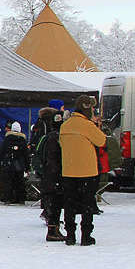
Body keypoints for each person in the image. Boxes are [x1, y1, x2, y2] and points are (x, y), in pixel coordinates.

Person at [59, 95, 106, 246]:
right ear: (88, 108)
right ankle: (86, 235)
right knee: (87, 205)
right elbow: (101, 140)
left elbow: (62, 144)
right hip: (87, 171)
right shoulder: (88, 125)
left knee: (69, 204)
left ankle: (70, 234)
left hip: (68, 170)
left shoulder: (65, 125)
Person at [38, 111, 67, 241]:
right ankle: (53, 229)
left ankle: (53, 227)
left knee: (53, 201)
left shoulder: (48, 136)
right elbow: (54, 157)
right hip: (55, 175)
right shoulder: (57, 137)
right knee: (55, 201)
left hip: (49, 174)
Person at [0, 121, 30, 205]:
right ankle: (21, 199)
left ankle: (7, 199)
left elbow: (1, 152)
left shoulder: (6, 139)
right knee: (20, 182)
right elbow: (26, 154)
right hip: (20, 164)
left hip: (8, 163)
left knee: (8, 182)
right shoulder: (22, 140)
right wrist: (27, 166)